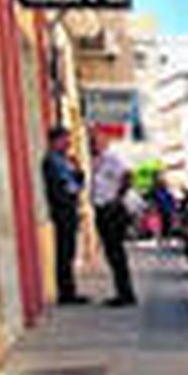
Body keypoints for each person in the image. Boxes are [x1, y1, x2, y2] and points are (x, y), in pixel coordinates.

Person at [88, 126, 136, 306]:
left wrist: (117, 198)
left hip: (112, 210)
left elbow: (128, 176)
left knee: (116, 253)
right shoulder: (95, 161)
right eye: (91, 141)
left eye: (96, 141)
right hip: (101, 209)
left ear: (104, 142)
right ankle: (122, 291)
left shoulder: (111, 158)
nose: (93, 144)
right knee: (111, 253)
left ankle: (126, 294)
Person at [41, 125, 87, 304]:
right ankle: (66, 293)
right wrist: (71, 192)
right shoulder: (51, 161)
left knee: (69, 252)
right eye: (65, 139)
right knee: (64, 252)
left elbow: (78, 183)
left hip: (69, 209)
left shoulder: (64, 160)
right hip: (62, 211)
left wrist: (77, 169)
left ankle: (70, 290)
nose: (68, 143)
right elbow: (60, 187)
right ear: (55, 141)